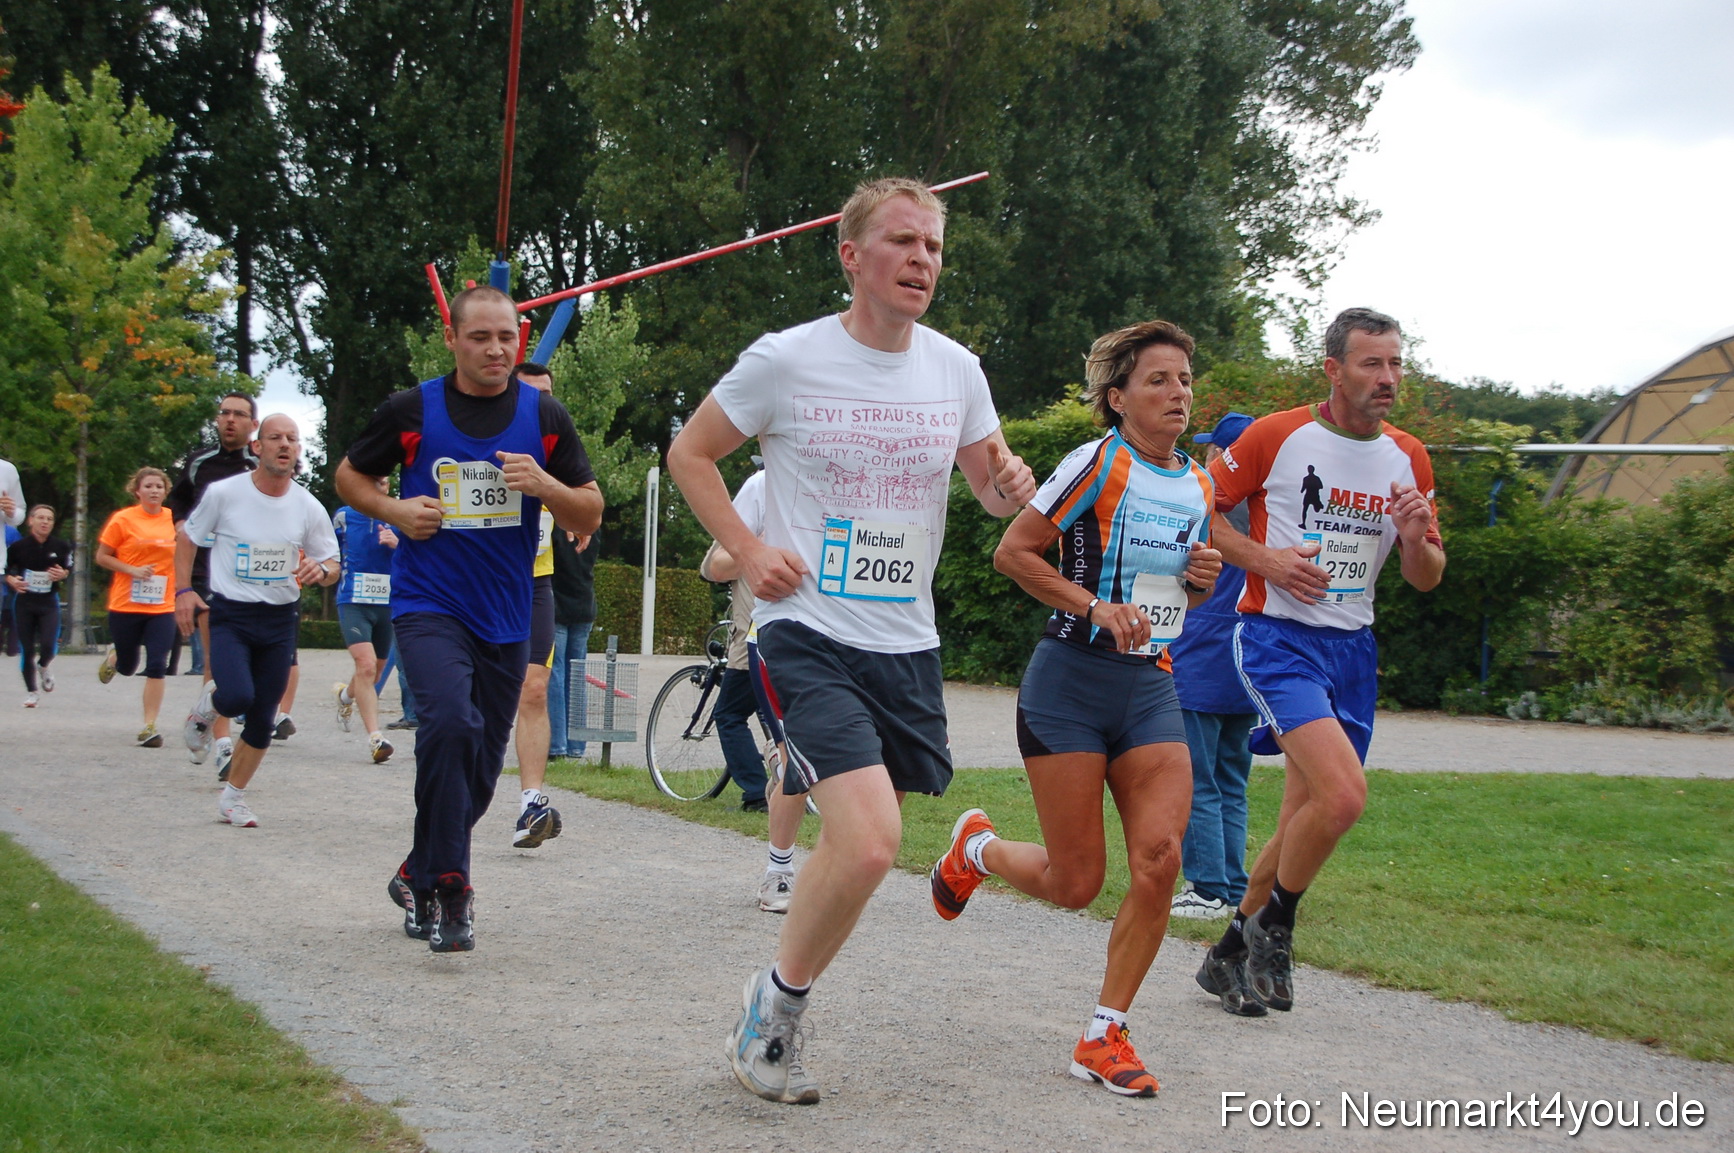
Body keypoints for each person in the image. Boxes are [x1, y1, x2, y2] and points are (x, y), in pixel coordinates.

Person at [666, 176, 1035, 1105]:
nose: (922, 259)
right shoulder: (785, 359)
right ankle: (776, 1017)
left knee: (859, 843)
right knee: (872, 842)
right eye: (903, 241)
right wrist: (750, 549)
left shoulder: (957, 370)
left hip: (904, 640)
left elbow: (990, 490)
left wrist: (1010, 487)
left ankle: (772, 997)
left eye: (933, 246)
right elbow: (690, 453)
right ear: (851, 256)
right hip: (806, 630)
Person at [933, 320, 1221, 1097]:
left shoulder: (1200, 486)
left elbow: (1179, 600)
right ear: (1118, 397)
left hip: (1149, 686)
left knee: (1160, 858)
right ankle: (977, 849)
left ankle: (1105, 1033)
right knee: (1075, 882)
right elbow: (1013, 552)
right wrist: (1095, 606)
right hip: (1069, 684)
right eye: (1158, 380)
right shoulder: (1096, 463)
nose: (1178, 392)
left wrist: (1200, 581)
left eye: (1185, 379)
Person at [335, 287, 601, 953]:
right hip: (428, 603)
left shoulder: (544, 415)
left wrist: (546, 486)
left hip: (508, 613)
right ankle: (451, 889)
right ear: (452, 339)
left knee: (480, 768)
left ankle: (416, 871)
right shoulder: (412, 410)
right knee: (450, 724)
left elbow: (590, 511)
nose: (495, 349)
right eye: (479, 337)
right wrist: (395, 511)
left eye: (506, 337)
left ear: (520, 339)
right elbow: (348, 476)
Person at [1196, 307, 1444, 1017]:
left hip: (1352, 650)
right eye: (1372, 363)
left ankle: (1227, 954)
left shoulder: (1409, 456)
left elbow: (1426, 575)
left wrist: (1415, 537)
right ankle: (1277, 925)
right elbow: (1197, 509)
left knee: (1303, 817)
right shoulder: (1277, 435)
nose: (1388, 377)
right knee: (1342, 796)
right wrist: (1266, 560)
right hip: (1278, 638)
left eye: (1395, 363)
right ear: (1334, 369)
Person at [175, 415, 340, 828]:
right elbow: (188, 537)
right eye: (275, 438)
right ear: (257, 447)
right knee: (235, 696)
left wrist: (321, 570)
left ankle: (233, 798)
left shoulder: (307, 505)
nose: (285, 445)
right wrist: (183, 591)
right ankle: (206, 710)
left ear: (298, 450)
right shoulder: (224, 493)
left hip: (280, 619)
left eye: (292, 439)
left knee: (264, 719)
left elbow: (333, 563)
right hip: (232, 613)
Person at [697, 466, 808, 914]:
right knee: (784, 748)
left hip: (843, 639)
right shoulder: (764, 485)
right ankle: (779, 868)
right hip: (762, 638)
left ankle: (835, 864)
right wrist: (754, 550)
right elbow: (713, 566)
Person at [1167, 411, 1260, 922]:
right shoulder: (1267, 512)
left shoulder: (1206, 505)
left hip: (1201, 655)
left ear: (1226, 455)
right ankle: (1234, 885)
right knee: (1231, 780)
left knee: (1196, 778)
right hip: (1246, 659)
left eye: (1212, 448)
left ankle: (1206, 887)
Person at [169, 392, 259, 777]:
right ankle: (224, 745)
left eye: (239, 414)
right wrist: (180, 525)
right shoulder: (198, 462)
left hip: (251, 574)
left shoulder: (261, 464)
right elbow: (178, 503)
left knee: (251, 668)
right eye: (224, 413)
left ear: (253, 424)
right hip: (208, 573)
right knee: (216, 660)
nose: (230, 420)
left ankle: (203, 715)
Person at [505, 361, 565, 850]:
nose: (541, 404)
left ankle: (531, 804)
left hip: (535, 585)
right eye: (531, 394)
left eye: (547, 395)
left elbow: (583, 502)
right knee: (473, 703)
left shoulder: (557, 448)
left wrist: (577, 521)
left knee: (534, 689)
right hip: (479, 586)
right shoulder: (482, 441)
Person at [94, 467, 181, 745]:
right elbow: (102, 556)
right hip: (126, 604)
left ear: (166, 491)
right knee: (129, 666)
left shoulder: (174, 519)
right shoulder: (123, 519)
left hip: (162, 606)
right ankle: (115, 659)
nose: (154, 491)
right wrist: (131, 569)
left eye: (159, 486)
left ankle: (149, 726)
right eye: (148, 486)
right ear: (137, 491)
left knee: (157, 664)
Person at [330, 476, 399, 763]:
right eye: (375, 482)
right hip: (353, 601)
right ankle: (376, 738)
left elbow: (420, 559)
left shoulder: (398, 514)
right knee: (367, 665)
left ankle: (346, 696)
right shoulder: (343, 517)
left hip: (387, 603)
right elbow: (329, 554)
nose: (381, 487)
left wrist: (399, 545)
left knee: (374, 672)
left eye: (385, 483)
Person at [6, 504, 74, 708]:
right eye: (41, 518)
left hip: (48, 602)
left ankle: (43, 665)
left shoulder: (61, 546)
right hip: (25, 602)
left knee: (48, 645)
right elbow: (6, 570)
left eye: (49, 519)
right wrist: (11, 580)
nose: (45, 522)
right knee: (27, 649)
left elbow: (68, 568)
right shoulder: (18, 547)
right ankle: (32, 692)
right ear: (31, 521)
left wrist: (63, 574)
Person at [547, 527, 599, 760]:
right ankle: (576, 744)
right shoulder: (591, 527)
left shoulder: (554, 528)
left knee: (555, 674)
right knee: (576, 676)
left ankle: (556, 744)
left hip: (556, 604)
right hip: (584, 603)